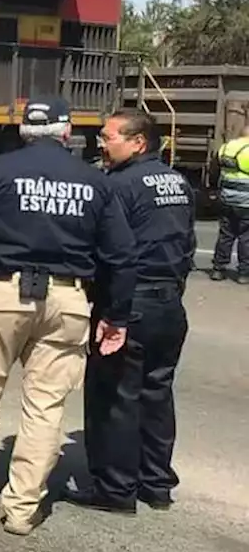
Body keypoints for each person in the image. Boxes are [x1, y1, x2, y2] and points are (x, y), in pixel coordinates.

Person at [0, 96, 137, 536]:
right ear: (66, 132)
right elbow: (121, 256)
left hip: (3, 295)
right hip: (68, 300)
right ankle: (21, 509)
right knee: (45, 406)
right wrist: (115, 315)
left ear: (23, 130)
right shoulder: (94, 182)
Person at [68, 108, 195, 514]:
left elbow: (112, 253)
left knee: (114, 397)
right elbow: (187, 245)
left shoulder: (119, 186)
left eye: (108, 137)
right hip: (169, 303)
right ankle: (156, 483)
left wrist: (109, 308)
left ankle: (115, 489)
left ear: (138, 142)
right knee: (156, 393)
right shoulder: (177, 181)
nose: (100, 144)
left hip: (130, 302)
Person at [210, 123, 249, 282]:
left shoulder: (225, 148)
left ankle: (218, 269)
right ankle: (244, 273)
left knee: (226, 235)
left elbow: (214, 171)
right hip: (246, 202)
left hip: (227, 199)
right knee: (246, 238)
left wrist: (213, 190)